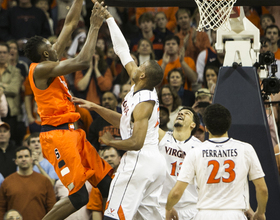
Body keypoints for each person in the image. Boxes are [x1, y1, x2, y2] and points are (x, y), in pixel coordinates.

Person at [73, 8, 166, 220]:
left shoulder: (144, 103)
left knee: (113, 215)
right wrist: (109, 19)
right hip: (154, 165)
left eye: (139, 64)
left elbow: (136, 142)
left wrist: (111, 142)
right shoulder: (140, 83)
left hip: (139, 160)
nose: (135, 64)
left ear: (142, 74)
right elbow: (122, 50)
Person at [23, 2, 113, 220]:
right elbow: (82, 61)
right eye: (50, 45)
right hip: (57, 136)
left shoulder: (49, 58)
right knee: (80, 196)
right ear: (46, 52)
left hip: (74, 133)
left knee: (109, 184)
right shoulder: (42, 69)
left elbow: (71, 23)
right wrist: (93, 26)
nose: (55, 46)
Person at [166, 104, 268, 220]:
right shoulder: (245, 149)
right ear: (228, 125)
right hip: (235, 214)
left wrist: (169, 208)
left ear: (206, 128)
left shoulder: (196, 151)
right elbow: (262, 189)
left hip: (204, 214)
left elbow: (176, 193)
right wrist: (260, 212)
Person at [158, 106, 201, 219]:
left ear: (193, 124)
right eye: (179, 113)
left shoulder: (200, 148)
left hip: (191, 208)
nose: (181, 114)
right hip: (162, 206)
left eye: (187, 113)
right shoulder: (162, 138)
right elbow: (137, 123)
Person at [0, 146, 56, 220]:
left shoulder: (44, 181)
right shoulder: (7, 182)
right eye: (20, 157)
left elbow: (51, 207)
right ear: (16, 161)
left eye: (26, 156)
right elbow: (1, 208)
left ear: (31, 159)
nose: (23, 159)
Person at [0, 43, 22, 145]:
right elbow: (10, 88)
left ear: (9, 54)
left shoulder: (16, 71)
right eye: (0, 52)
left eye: (4, 52)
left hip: (11, 113)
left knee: (11, 141)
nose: (2, 55)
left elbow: (14, 90)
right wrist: (4, 85)